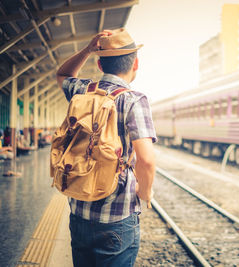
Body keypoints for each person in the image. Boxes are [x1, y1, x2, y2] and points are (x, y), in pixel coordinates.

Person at [56, 28, 156, 267]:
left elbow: (63, 73)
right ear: (136, 64)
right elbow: (146, 160)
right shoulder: (134, 99)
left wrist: (88, 48)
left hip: (79, 210)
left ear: (99, 65)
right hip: (116, 217)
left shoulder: (82, 91)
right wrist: (145, 192)